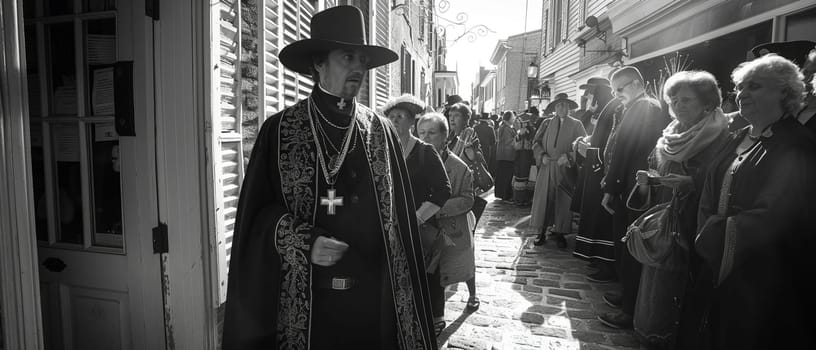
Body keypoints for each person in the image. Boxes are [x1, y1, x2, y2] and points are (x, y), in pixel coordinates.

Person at [221, 6, 437, 349]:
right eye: (347, 57)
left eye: (363, 60)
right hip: (307, 311)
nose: (358, 68)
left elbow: (400, 224)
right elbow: (256, 220)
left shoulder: (381, 132)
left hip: (372, 308)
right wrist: (304, 242)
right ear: (318, 64)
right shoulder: (279, 131)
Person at [678, 53, 816, 350]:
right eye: (740, 87)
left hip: (760, 280)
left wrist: (717, 234)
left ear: (784, 91)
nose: (742, 94)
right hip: (717, 264)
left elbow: (777, 214)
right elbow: (710, 187)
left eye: (754, 86)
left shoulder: (797, 145)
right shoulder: (738, 136)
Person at [625, 71, 729, 348]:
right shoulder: (670, 135)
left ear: (707, 103)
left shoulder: (721, 137)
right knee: (656, 285)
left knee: (681, 291)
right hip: (664, 225)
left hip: (693, 225)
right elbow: (656, 173)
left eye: (687, 100)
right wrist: (646, 184)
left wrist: (691, 184)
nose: (678, 105)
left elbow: (723, 184)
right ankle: (650, 335)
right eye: (674, 100)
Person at [598, 66, 670, 330]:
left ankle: (630, 308)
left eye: (621, 89)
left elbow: (625, 149)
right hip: (630, 185)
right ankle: (628, 294)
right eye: (614, 91)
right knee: (625, 247)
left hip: (634, 189)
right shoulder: (641, 106)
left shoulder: (644, 108)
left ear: (637, 83)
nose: (617, 95)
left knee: (630, 248)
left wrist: (611, 188)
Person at [416, 112, 478, 337]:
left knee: (452, 268)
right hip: (421, 228)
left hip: (448, 229)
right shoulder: (413, 160)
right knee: (428, 273)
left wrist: (437, 206)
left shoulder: (459, 167)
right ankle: (431, 314)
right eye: (421, 133)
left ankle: (465, 299)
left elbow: (468, 199)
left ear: (444, 135)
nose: (426, 138)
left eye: (432, 133)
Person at [382, 93, 452, 266]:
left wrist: (418, 218)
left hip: (418, 229)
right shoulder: (381, 152)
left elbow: (443, 189)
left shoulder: (425, 152)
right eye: (391, 117)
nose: (395, 120)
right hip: (389, 230)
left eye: (400, 116)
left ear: (412, 122)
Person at [570, 77, 623, 282]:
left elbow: (609, 143)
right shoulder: (604, 111)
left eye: (590, 93)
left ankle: (605, 262)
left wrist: (588, 148)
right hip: (594, 169)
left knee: (602, 220)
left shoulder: (613, 109)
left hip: (601, 171)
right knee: (594, 216)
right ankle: (596, 257)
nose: (586, 97)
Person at [530, 93, 586, 248]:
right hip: (547, 166)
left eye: (565, 105)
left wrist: (569, 156)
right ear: (555, 108)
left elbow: (583, 147)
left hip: (565, 168)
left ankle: (561, 232)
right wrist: (541, 155)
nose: (562, 108)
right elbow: (536, 142)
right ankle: (541, 231)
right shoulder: (546, 123)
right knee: (544, 199)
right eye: (559, 105)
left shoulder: (576, 124)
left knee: (563, 200)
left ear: (569, 107)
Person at [512, 111, 538, 206]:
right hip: (522, 156)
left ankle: (523, 199)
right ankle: (522, 199)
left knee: (525, 177)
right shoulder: (526, 130)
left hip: (527, 156)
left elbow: (531, 143)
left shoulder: (530, 131)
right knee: (522, 177)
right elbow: (515, 144)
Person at [495, 111, 517, 201]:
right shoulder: (507, 129)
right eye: (513, 117)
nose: (514, 119)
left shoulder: (503, 127)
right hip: (507, 156)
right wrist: (517, 137)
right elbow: (509, 142)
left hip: (502, 156)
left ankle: (501, 194)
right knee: (506, 176)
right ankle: (505, 195)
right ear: (509, 119)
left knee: (502, 176)